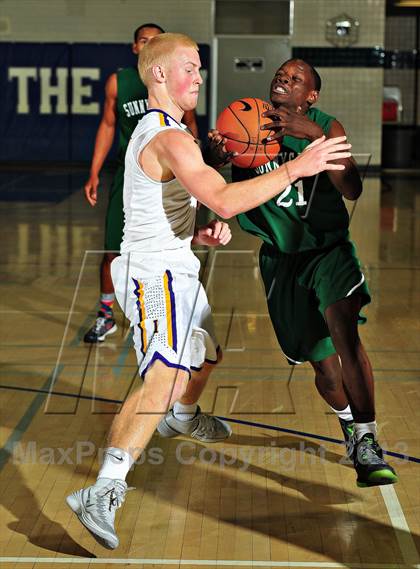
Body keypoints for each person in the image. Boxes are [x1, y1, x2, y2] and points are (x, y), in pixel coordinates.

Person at [66, 34, 351, 550]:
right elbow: (221, 198)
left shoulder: (172, 132)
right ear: (159, 75)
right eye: (190, 68)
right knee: (166, 376)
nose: (199, 77)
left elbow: (164, 204)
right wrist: (296, 167)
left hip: (174, 261)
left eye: (199, 68)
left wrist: (193, 232)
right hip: (154, 275)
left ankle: (180, 417)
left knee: (205, 355)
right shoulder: (167, 136)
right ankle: (104, 487)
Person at [210, 58, 397, 488]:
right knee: (326, 371)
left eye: (296, 78)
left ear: (310, 96)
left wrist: (315, 138)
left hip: (329, 251)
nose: (284, 78)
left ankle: (367, 439)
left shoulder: (326, 126)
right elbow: (210, 179)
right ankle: (349, 423)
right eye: (281, 74)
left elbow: (353, 188)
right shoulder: (243, 119)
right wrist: (214, 155)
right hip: (281, 259)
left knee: (345, 331)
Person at [83, 23, 199, 343]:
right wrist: (94, 172)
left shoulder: (176, 81)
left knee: (167, 244)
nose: (149, 44)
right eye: (143, 41)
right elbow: (107, 125)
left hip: (168, 172)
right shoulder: (118, 82)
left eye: (155, 41)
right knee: (112, 246)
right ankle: (106, 314)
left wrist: (199, 164)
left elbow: (190, 124)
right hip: (129, 173)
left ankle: (163, 312)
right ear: (135, 48)